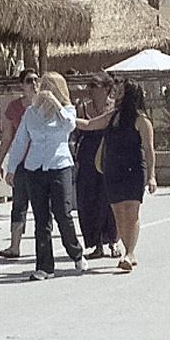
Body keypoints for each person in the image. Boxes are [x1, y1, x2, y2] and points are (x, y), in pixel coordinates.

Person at [5, 72, 86, 280]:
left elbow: (70, 125)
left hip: (59, 166)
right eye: (43, 86)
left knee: (63, 214)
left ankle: (76, 252)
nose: (43, 89)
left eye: (49, 86)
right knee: (41, 219)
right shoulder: (31, 112)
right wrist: (11, 167)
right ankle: (44, 267)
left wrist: (56, 105)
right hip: (35, 168)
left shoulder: (67, 110)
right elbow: (20, 140)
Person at [77, 79, 157, 272]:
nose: (116, 96)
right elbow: (88, 125)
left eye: (120, 92)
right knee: (119, 215)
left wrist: (152, 176)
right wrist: (63, 116)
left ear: (130, 95)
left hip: (134, 171)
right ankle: (128, 251)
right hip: (112, 170)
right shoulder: (112, 117)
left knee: (132, 213)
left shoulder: (141, 120)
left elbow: (149, 149)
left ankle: (129, 253)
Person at [0, 68, 39, 258]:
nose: (34, 84)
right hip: (21, 163)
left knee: (42, 206)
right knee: (19, 204)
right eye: (29, 81)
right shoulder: (14, 108)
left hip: (41, 162)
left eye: (37, 80)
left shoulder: (46, 105)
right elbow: (7, 137)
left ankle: (43, 247)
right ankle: (15, 246)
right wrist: (0, 163)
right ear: (22, 85)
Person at [74, 73, 119, 259]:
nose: (90, 89)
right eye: (89, 85)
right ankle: (97, 244)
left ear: (106, 88)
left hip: (111, 158)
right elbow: (74, 134)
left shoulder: (115, 108)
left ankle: (113, 243)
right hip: (87, 159)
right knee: (89, 201)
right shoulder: (82, 108)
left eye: (94, 85)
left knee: (110, 201)